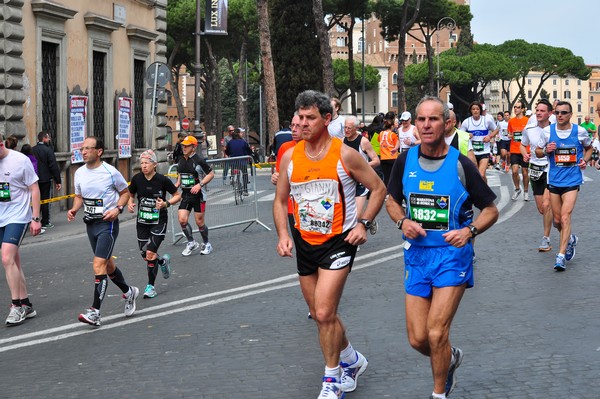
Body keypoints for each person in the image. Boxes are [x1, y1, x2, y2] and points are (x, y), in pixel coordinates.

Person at [274, 90, 386, 399]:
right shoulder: (289, 156)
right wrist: (283, 234)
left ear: (327, 119)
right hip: (305, 241)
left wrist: (363, 223)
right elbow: (280, 199)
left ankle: (332, 379)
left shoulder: (344, 154)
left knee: (323, 313)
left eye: (310, 117)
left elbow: (378, 188)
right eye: (300, 116)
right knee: (319, 312)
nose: (303, 122)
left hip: (339, 240)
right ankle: (351, 359)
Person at [386, 96, 498, 399]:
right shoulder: (404, 160)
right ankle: (449, 358)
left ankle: (439, 393)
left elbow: (490, 209)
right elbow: (391, 200)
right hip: (416, 257)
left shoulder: (461, 164)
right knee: (418, 339)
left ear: (446, 123)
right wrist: (401, 223)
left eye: (433, 119)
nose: (426, 125)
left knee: (436, 333)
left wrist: (469, 231)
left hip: (452, 257)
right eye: (421, 119)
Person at [67, 136, 139, 326]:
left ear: (99, 152)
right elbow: (79, 196)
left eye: (88, 149)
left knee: (98, 265)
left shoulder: (110, 171)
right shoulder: (80, 172)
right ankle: (129, 291)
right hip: (90, 224)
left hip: (108, 224)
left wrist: (118, 209)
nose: (83, 152)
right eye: (82, 149)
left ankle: (95, 312)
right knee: (107, 265)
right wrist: (74, 209)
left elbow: (125, 193)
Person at [535, 101, 593, 272]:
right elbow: (537, 151)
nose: (560, 115)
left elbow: (589, 148)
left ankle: (560, 256)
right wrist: (546, 151)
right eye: (558, 112)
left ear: (570, 115)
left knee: (566, 216)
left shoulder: (580, 131)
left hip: (572, 181)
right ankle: (570, 239)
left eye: (564, 112)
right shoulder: (547, 132)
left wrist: (585, 160)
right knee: (557, 220)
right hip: (554, 180)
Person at [0, 134, 42, 325]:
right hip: (1, 216)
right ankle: (26, 303)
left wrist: (35, 218)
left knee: (7, 257)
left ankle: (16, 307)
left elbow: (34, 188)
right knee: (14, 261)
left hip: (18, 215)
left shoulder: (20, 160)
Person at [128, 149, 181, 299]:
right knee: (145, 255)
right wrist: (130, 203)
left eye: (147, 163)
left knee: (150, 252)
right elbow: (131, 195)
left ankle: (150, 287)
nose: (143, 166)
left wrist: (166, 203)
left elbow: (178, 195)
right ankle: (162, 261)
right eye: (142, 163)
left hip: (159, 221)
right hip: (142, 221)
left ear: (155, 164)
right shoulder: (137, 179)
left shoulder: (162, 180)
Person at [521, 99, 553, 252]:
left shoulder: (555, 129)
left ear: (549, 113)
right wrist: (524, 155)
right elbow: (522, 144)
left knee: (547, 205)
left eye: (542, 110)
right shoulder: (529, 128)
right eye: (537, 110)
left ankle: (546, 238)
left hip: (551, 169)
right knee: (542, 208)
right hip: (535, 169)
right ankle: (564, 229)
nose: (538, 113)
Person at [175, 135, 215, 256]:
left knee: (200, 222)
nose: (184, 148)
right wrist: (177, 183)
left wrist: (200, 185)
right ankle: (191, 242)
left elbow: (211, 174)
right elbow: (181, 173)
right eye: (183, 145)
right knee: (182, 220)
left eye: (187, 146)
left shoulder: (199, 160)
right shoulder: (181, 159)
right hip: (186, 195)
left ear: (193, 147)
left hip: (198, 196)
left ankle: (207, 244)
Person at [343, 115, 381, 231]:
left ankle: (366, 220)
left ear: (356, 128)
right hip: (348, 181)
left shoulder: (363, 142)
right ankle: (368, 218)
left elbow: (376, 161)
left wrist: (361, 167)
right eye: (345, 128)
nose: (346, 130)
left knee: (357, 215)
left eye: (349, 128)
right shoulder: (342, 141)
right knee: (346, 214)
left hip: (361, 182)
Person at [460, 102, 497, 183]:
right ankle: (482, 190)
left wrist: (489, 137)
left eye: (477, 109)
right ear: (471, 111)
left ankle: (485, 192)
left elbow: (496, 129)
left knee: (481, 174)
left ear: (480, 110)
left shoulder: (487, 120)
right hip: (472, 153)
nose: (475, 111)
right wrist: (467, 135)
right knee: (475, 175)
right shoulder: (466, 122)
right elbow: (460, 134)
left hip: (484, 151)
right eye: (473, 109)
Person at [33, 131, 62, 230]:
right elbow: (53, 166)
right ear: (44, 138)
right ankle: (45, 221)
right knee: (45, 200)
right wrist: (58, 181)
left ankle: (35, 219)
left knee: (35, 200)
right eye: (48, 138)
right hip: (45, 179)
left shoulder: (33, 150)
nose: (49, 140)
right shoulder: (48, 150)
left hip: (35, 180)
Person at [508, 101, 531, 200]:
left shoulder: (528, 121)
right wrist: (510, 135)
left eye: (518, 107)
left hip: (525, 150)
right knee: (514, 171)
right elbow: (509, 133)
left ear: (522, 109)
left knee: (525, 171)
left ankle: (526, 191)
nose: (516, 109)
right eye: (515, 107)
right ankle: (517, 189)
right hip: (514, 149)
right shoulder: (511, 121)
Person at [225, 128, 252, 196]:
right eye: (241, 133)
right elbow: (248, 150)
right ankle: (245, 190)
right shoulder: (243, 142)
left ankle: (235, 182)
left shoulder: (230, 142)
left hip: (233, 162)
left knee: (235, 172)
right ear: (239, 134)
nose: (242, 134)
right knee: (245, 174)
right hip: (242, 161)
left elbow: (227, 151)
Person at [378, 111, 400, 186]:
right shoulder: (393, 135)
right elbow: (397, 144)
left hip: (383, 158)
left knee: (386, 176)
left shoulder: (381, 133)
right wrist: (395, 148)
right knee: (393, 176)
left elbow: (378, 140)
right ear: (392, 126)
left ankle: (386, 191)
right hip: (392, 157)